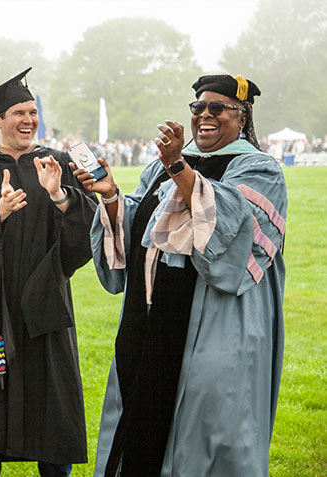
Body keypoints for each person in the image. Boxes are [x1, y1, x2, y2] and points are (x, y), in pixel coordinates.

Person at [81, 74, 286, 476]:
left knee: (206, 423)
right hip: (149, 324)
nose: (205, 115)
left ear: (242, 118)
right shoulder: (169, 164)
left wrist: (177, 166)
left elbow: (232, 229)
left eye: (218, 108)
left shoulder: (260, 169)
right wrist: (108, 195)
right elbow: (138, 223)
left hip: (215, 327)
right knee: (141, 418)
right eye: (198, 107)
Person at [0, 68, 98, 476]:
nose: (28, 120)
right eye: (18, 113)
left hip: (44, 303)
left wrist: (60, 196)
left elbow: (88, 232)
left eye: (32, 111)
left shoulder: (56, 163)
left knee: (52, 422)